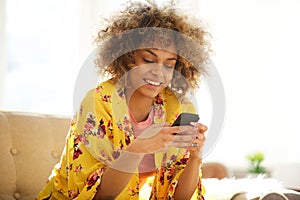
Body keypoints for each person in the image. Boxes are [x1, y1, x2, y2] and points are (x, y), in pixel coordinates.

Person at [37, 1, 211, 199]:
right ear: (129, 57)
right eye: (148, 60)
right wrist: (140, 147)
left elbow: (179, 197)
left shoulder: (175, 107)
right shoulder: (98, 102)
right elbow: (98, 195)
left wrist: (196, 157)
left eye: (168, 65)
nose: (158, 72)